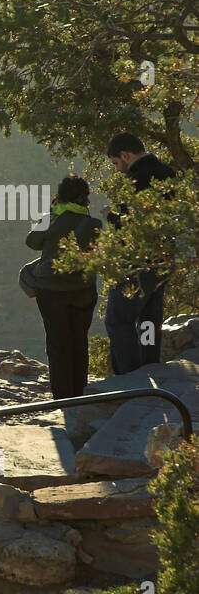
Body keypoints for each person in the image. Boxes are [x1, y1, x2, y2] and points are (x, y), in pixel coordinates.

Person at [101, 132, 176, 374]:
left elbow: (130, 225)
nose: (117, 169)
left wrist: (110, 217)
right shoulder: (168, 173)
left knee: (119, 319)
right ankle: (149, 366)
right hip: (163, 261)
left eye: (116, 163)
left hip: (137, 263)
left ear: (125, 155)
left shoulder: (137, 179)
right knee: (149, 320)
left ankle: (130, 379)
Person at [25, 176, 101, 399]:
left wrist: (50, 214)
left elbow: (31, 242)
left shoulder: (50, 219)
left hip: (51, 292)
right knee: (79, 339)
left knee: (57, 342)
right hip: (83, 290)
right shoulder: (93, 223)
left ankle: (62, 397)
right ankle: (79, 393)